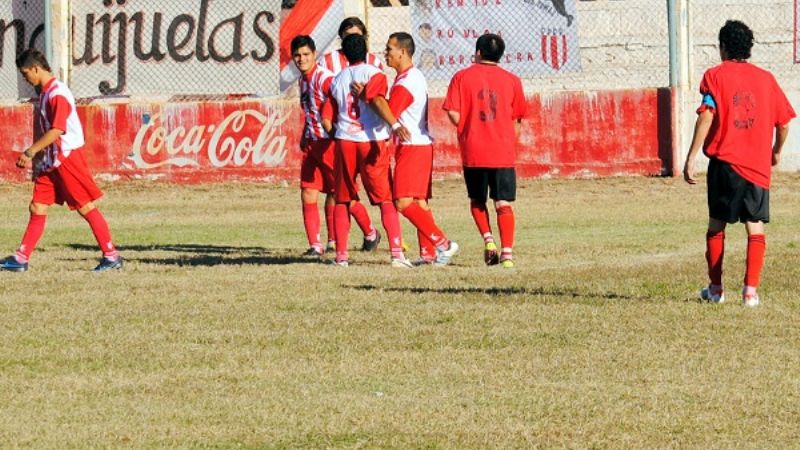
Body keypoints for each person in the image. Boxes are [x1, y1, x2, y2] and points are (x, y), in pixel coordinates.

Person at [683, 20, 795, 307]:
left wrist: (692, 156)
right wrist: (776, 151)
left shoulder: (714, 76)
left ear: (722, 47)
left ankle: (716, 290)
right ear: (749, 48)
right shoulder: (766, 79)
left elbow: (707, 114)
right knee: (755, 226)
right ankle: (750, 293)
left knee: (716, 225)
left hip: (724, 164)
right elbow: (783, 123)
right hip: (757, 166)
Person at [1, 49, 122, 272]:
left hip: (66, 158)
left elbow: (58, 130)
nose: (25, 78)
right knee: (37, 206)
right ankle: (20, 259)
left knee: (85, 206)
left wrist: (30, 152)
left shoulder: (57, 94)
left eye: (25, 73)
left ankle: (111, 256)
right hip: (51, 160)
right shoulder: (46, 91)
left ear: (36, 68)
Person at [325, 33, 411, 267]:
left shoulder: (337, 79)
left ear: (344, 55)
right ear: (366, 51)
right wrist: (394, 124)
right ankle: (396, 253)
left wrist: (339, 133)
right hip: (372, 140)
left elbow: (327, 118)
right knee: (385, 199)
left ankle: (341, 256)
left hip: (345, 140)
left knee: (343, 199)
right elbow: (377, 100)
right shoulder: (376, 74)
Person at [291, 35, 380, 257]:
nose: (301, 59)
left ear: (314, 55)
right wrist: (305, 133)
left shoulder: (325, 78)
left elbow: (342, 103)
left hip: (329, 143)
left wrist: (342, 133)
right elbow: (312, 109)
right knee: (308, 192)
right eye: (297, 55)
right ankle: (316, 246)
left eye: (305, 55)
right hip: (313, 142)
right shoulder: (303, 80)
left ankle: (370, 232)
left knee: (344, 195)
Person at [442, 34, 526, 268]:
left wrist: (467, 128)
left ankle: (489, 241)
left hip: (474, 149)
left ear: (478, 52)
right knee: (503, 203)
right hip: (502, 151)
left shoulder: (461, 77)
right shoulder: (512, 80)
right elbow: (517, 118)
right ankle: (507, 254)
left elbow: (452, 112)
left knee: (477, 199)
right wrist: (508, 141)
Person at [381, 32, 459, 266]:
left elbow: (390, 112)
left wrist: (368, 97)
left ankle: (444, 244)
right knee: (419, 202)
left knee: (403, 202)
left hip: (412, 146)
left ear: (402, 52)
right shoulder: (411, 76)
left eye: (389, 49)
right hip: (420, 144)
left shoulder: (406, 81)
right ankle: (428, 254)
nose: (386, 54)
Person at [319, 17, 384, 75]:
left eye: (356, 35)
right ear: (341, 36)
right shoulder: (326, 61)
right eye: (348, 35)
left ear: (363, 36)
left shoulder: (374, 62)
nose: (352, 39)